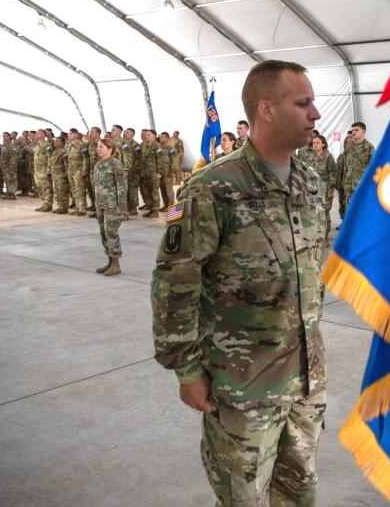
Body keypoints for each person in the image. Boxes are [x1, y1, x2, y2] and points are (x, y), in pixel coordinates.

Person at [152, 60, 328, 507]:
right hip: (242, 386)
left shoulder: (310, 179)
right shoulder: (208, 188)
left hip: (305, 382)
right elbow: (174, 282)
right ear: (266, 110)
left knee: (299, 492)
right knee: (242, 498)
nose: (316, 114)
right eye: (303, 103)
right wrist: (187, 370)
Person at [92, 137, 126, 276]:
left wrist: (121, 206)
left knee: (111, 233)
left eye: (101, 147)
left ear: (110, 149)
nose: (98, 149)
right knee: (103, 233)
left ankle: (116, 264)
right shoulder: (98, 164)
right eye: (98, 146)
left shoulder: (115, 164)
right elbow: (97, 186)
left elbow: (122, 187)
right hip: (101, 204)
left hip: (112, 206)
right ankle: (110, 261)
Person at [336, 121, 375, 222]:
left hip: (362, 186)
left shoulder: (369, 148)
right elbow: (345, 166)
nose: (353, 132)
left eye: (356, 130)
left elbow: (373, 168)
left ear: (363, 131)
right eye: (352, 130)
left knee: (363, 213)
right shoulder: (348, 147)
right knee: (350, 214)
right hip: (349, 187)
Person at [299, 134, 336, 235]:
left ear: (323, 144)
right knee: (313, 210)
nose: (315, 145)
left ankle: (325, 235)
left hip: (324, 188)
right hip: (312, 188)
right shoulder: (309, 156)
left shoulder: (328, 156)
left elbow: (332, 174)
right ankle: (316, 234)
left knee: (324, 211)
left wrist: (331, 191)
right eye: (314, 143)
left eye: (318, 143)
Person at [65, 129, 88, 215]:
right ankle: (78, 207)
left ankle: (82, 209)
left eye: (71, 134)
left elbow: (86, 158)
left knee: (80, 190)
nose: (69, 135)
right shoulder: (69, 145)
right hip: (71, 170)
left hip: (79, 170)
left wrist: (84, 170)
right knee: (74, 190)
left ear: (76, 135)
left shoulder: (82, 145)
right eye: (68, 134)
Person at [138, 129, 160, 218]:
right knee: (147, 193)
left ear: (154, 135)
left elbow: (161, 160)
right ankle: (151, 209)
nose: (147, 136)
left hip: (154, 173)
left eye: (149, 134)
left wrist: (159, 172)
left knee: (154, 193)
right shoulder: (145, 145)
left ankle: (155, 211)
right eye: (146, 134)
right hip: (145, 173)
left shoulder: (157, 146)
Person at [120, 127, 141, 216]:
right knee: (126, 190)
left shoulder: (136, 145)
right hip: (124, 171)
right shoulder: (123, 144)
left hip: (133, 171)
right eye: (125, 132)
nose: (125, 133)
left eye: (127, 132)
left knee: (133, 190)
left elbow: (139, 158)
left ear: (132, 134)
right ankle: (128, 206)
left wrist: (134, 169)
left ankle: (133, 208)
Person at [50, 137, 70, 214]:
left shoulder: (64, 152)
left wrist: (65, 175)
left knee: (62, 192)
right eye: (55, 141)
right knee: (57, 192)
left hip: (61, 175)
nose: (55, 142)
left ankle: (64, 207)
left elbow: (66, 165)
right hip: (55, 175)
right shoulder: (55, 152)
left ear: (62, 143)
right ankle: (59, 206)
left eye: (58, 141)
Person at [85, 127, 102, 216]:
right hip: (92, 171)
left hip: (102, 171)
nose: (90, 133)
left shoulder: (103, 143)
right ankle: (97, 209)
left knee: (102, 191)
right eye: (90, 132)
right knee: (94, 191)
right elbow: (86, 158)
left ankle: (103, 210)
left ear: (98, 133)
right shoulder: (89, 144)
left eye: (92, 132)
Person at [0, 132, 19, 199]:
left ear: (9, 137)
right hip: (4, 166)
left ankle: (12, 194)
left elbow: (13, 157)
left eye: (5, 136)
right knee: (6, 179)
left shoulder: (12, 145)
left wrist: (11, 167)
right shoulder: (4, 146)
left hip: (10, 166)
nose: (4, 137)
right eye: (3, 136)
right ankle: (8, 193)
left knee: (11, 179)